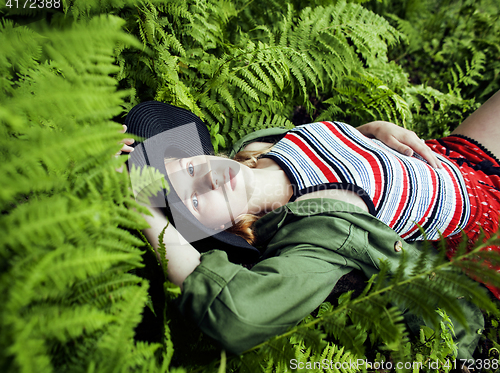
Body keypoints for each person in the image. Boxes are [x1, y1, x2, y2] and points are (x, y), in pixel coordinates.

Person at [121, 90, 500, 360]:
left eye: (190, 168)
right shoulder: (318, 232)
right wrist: (146, 213)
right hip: (483, 229)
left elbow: (343, 159)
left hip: (455, 158)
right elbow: (237, 317)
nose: (208, 179)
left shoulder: (262, 148)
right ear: (217, 231)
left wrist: (368, 132)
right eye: (195, 199)